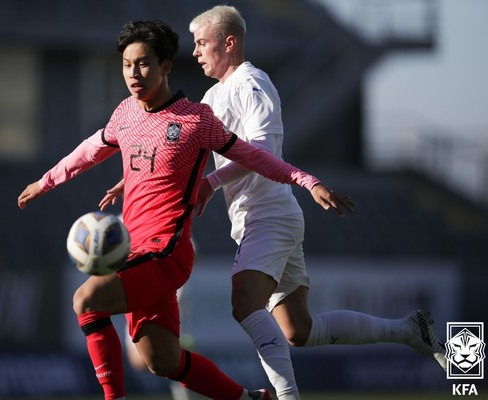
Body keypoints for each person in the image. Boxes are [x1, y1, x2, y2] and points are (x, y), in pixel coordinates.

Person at [101, 6, 446, 400]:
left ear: (228, 42)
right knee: (298, 329)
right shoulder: (213, 96)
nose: (195, 52)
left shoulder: (252, 84)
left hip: (269, 214)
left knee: (245, 303)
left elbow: (262, 150)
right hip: (254, 217)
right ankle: (408, 330)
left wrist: (212, 183)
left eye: (201, 43)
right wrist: (130, 179)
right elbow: (178, 149)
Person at [17, 19, 349, 400]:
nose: (134, 74)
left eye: (143, 63)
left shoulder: (196, 121)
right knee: (163, 361)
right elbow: (90, 149)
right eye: (126, 65)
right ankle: (251, 398)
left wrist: (306, 181)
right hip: (134, 252)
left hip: (167, 251)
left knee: (86, 300)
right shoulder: (125, 113)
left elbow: (255, 157)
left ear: (165, 66)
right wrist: (46, 182)